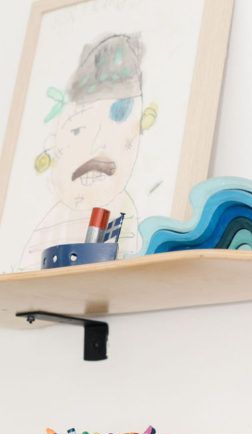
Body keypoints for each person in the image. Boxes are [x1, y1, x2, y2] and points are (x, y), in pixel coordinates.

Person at [19, 32, 155, 268]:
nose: (97, 146)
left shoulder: (127, 217)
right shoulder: (49, 225)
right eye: (77, 130)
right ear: (54, 145)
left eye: (116, 126)